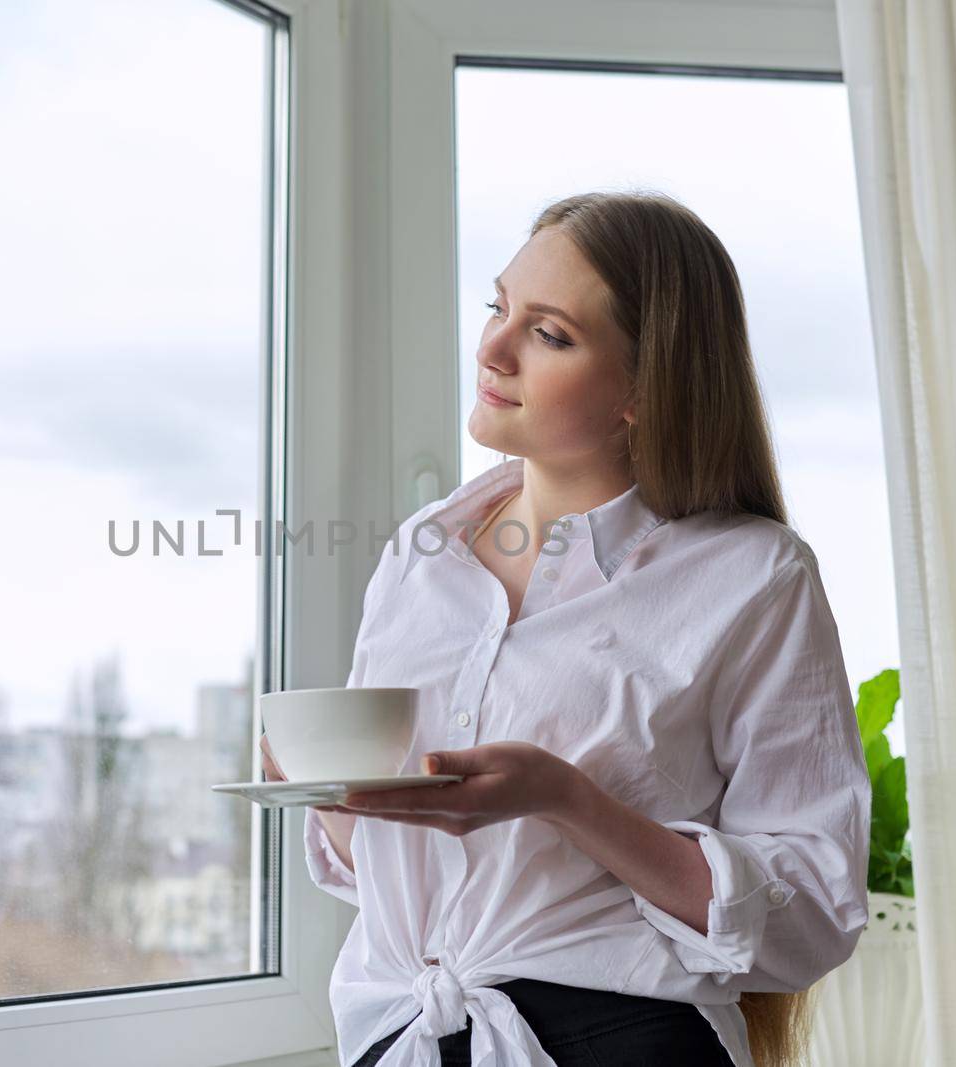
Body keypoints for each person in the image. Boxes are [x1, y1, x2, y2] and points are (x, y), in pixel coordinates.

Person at [260, 191, 871, 1067]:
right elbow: (399, 878)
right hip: (404, 1033)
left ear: (642, 387)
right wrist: (328, 790)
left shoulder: (754, 579)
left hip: (622, 1039)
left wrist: (566, 798)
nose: (493, 349)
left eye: (549, 334)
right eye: (498, 308)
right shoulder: (419, 556)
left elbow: (812, 910)